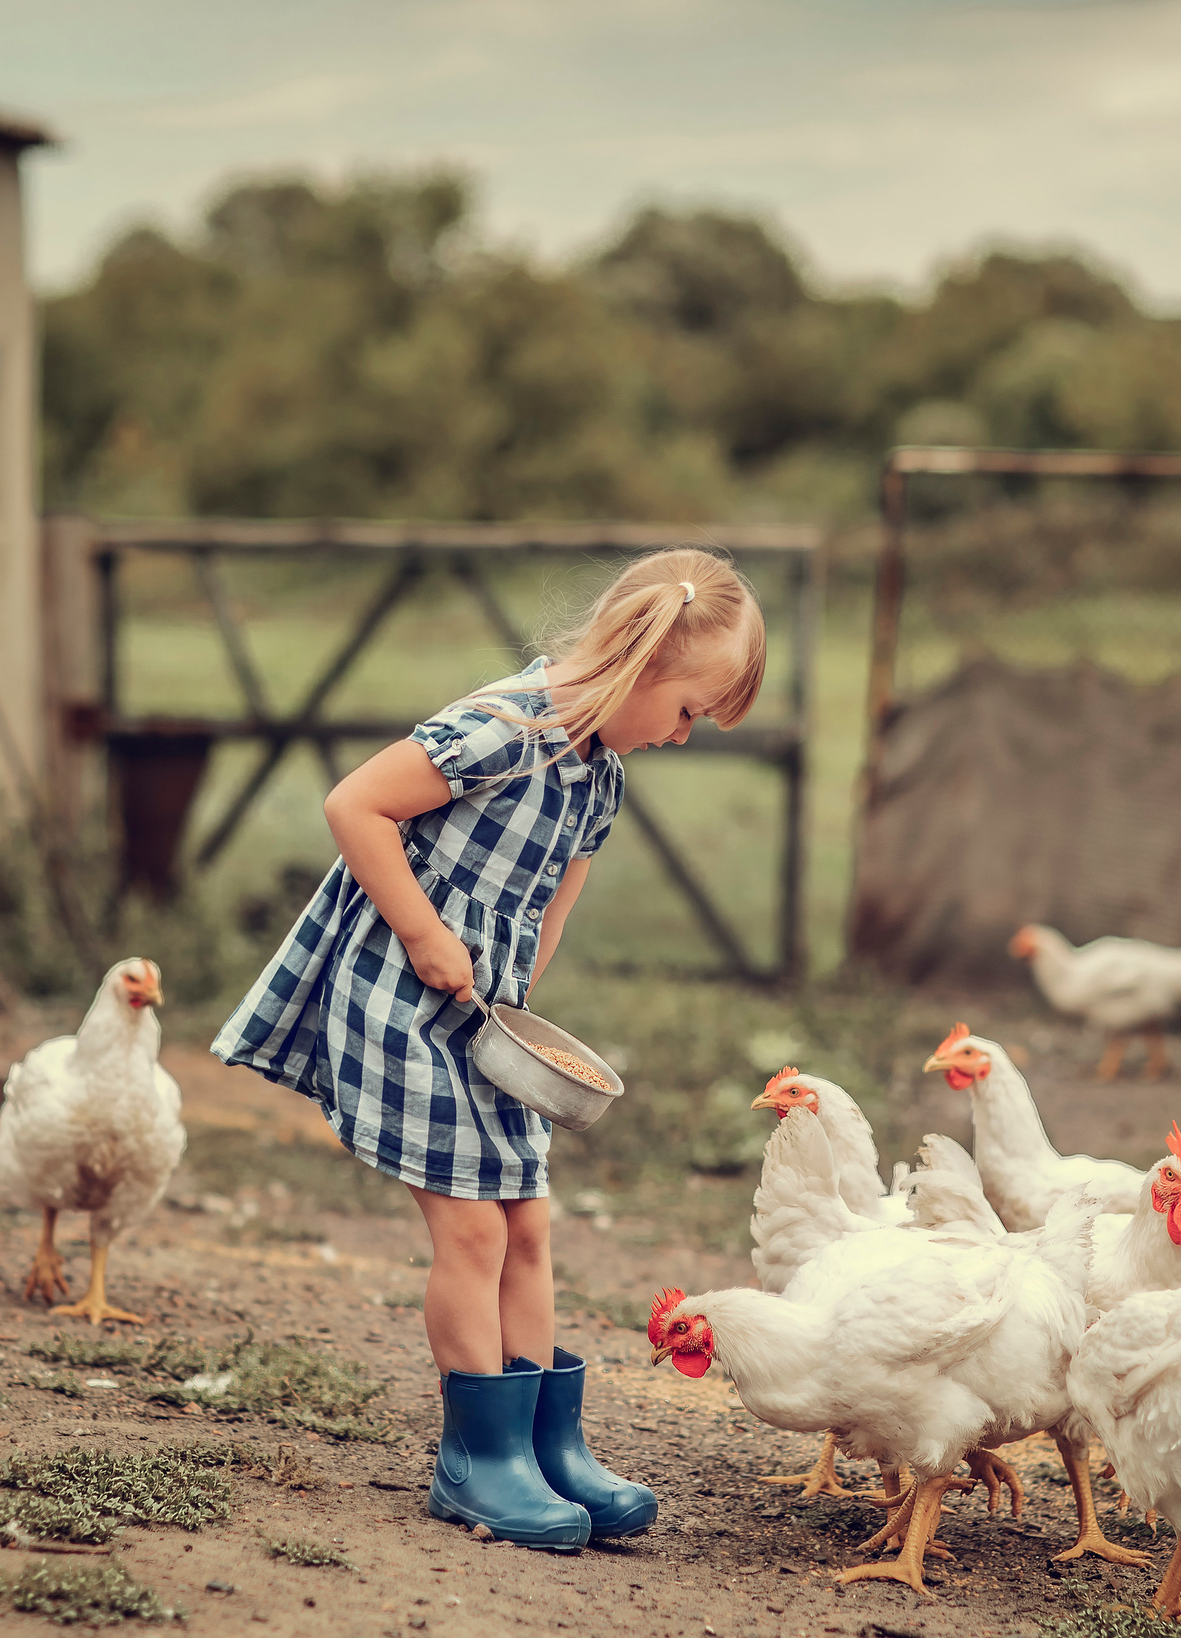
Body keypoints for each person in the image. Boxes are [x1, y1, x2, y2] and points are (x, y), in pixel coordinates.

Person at [212, 547, 767, 1549]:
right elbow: (355, 804)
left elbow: (552, 908)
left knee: (528, 1223)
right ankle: (478, 1462)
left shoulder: (600, 778)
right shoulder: (506, 728)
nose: (683, 736)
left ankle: (548, 1447)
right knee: (472, 1232)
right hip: (399, 993)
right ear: (640, 662)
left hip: (485, 1023)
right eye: (687, 711)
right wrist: (425, 932)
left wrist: (524, 1023)